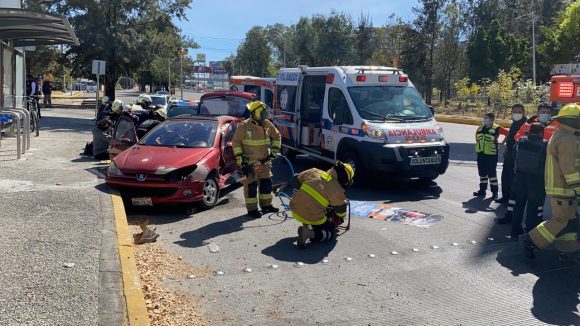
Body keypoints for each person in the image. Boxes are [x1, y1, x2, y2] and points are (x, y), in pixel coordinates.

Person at [525, 103, 579, 260]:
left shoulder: (564, 134)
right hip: (563, 188)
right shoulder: (568, 139)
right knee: (561, 220)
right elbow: (569, 168)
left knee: (570, 219)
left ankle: (567, 249)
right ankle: (531, 240)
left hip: (562, 187)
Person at [232, 100, 281, 218]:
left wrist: (274, 151)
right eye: (263, 113)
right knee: (251, 187)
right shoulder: (244, 126)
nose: (265, 116)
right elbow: (236, 142)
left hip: (265, 163)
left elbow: (277, 136)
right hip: (250, 164)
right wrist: (241, 159)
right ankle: (252, 210)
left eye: (265, 113)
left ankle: (266, 206)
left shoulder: (267, 124)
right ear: (255, 113)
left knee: (266, 184)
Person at [290, 161, 354, 248]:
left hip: (294, 210)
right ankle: (309, 233)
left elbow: (294, 181)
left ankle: (305, 225)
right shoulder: (338, 191)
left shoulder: (314, 171)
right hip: (312, 216)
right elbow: (341, 212)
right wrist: (340, 217)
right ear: (346, 179)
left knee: (311, 204)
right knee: (329, 234)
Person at [510, 123, 547, 239]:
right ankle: (530, 233)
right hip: (536, 180)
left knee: (519, 204)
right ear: (541, 132)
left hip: (520, 178)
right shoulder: (545, 144)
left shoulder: (521, 141)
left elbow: (513, 156)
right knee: (533, 206)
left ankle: (515, 230)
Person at [496, 103, 527, 204]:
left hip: (518, 157)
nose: (517, 114)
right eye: (515, 112)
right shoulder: (515, 123)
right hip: (509, 155)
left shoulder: (526, 125)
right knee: (505, 177)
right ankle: (505, 197)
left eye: (519, 112)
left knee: (513, 179)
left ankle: (511, 200)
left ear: (523, 113)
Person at [473, 112, 509, 199]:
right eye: (484, 118)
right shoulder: (480, 127)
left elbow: (508, 133)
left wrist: (503, 142)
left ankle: (495, 192)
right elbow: (477, 138)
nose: (484, 119)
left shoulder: (497, 128)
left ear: (492, 119)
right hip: (481, 154)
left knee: (491, 173)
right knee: (482, 173)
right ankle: (482, 190)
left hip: (492, 154)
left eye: (486, 118)